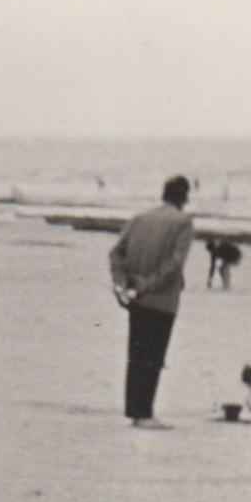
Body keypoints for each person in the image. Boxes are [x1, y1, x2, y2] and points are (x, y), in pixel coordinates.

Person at [109, 175, 194, 430]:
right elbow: (175, 263)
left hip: (137, 297)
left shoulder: (140, 218)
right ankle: (144, 414)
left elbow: (116, 253)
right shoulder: (183, 222)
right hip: (162, 299)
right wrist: (146, 286)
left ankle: (137, 411)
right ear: (185, 197)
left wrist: (122, 285)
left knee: (136, 355)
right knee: (153, 356)